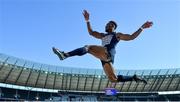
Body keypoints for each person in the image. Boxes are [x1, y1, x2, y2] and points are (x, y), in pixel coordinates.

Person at [52, 10, 153, 84]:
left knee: (88, 48)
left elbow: (131, 37)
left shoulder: (117, 35)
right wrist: (88, 21)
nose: (107, 25)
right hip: (105, 59)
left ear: (113, 27)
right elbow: (91, 32)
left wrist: (142, 27)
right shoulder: (102, 35)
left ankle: (65, 55)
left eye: (109, 25)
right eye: (107, 24)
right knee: (113, 79)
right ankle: (134, 78)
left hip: (107, 53)